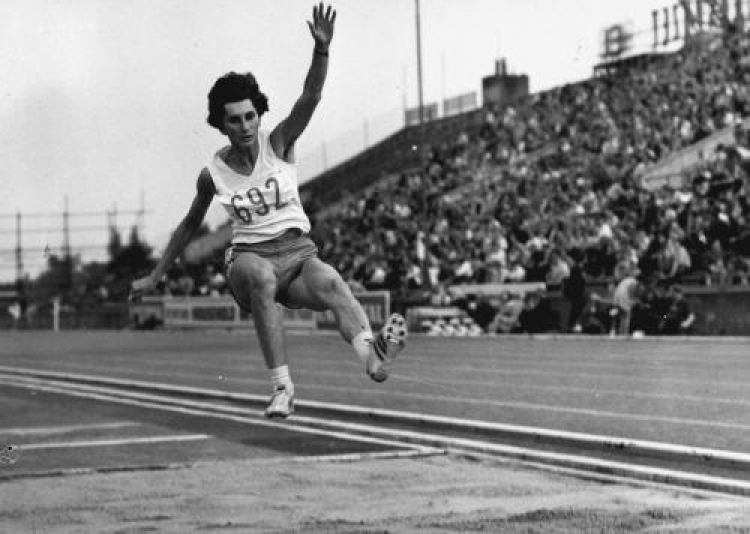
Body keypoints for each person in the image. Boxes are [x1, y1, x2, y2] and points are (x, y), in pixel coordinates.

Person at [130, 3, 407, 419]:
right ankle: (282, 387)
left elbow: (311, 96)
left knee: (332, 281)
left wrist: (322, 50)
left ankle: (371, 356)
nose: (245, 126)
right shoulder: (213, 174)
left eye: (250, 116)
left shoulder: (278, 143)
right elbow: (189, 227)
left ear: (259, 115)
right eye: (235, 120)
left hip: (297, 253)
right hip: (249, 259)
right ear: (221, 125)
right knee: (260, 275)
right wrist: (155, 275)